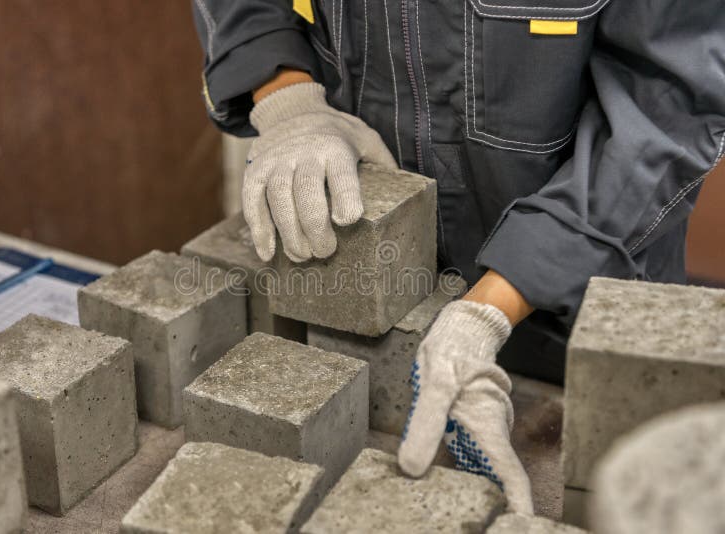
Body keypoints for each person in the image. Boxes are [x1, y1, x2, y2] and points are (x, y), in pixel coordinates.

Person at [192, 0, 725, 513]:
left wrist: (486, 312)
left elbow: (669, 112)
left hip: (592, 285)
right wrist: (289, 102)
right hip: (370, 282)